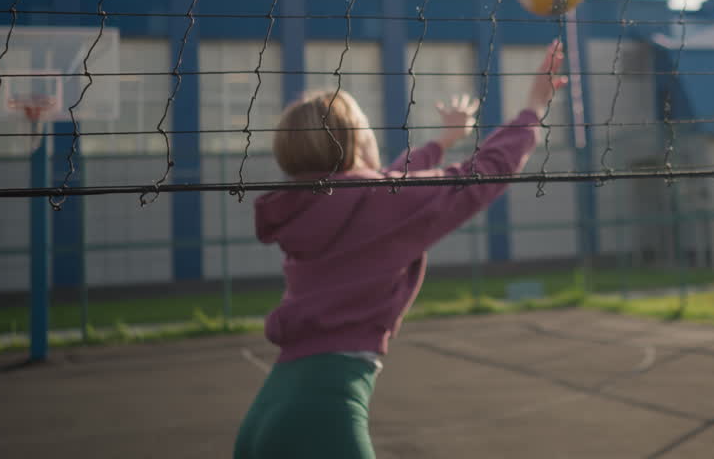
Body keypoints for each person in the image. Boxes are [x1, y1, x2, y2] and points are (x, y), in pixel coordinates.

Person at [234, 41, 567, 459]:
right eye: (368, 129)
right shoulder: (378, 203)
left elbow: (381, 187)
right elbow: (482, 174)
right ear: (356, 146)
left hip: (269, 409)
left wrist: (443, 141)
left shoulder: (310, 205)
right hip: (325, 411)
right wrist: (534, 107)